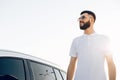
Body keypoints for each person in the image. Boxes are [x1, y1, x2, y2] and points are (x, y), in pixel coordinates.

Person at [67, 10, 116, 80]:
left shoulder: (104, 39)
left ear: (91, 19)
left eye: (83, 17)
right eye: (79, 18)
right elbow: (72, 64)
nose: (80, 20)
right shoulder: (76, 41)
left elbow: (110, 63)